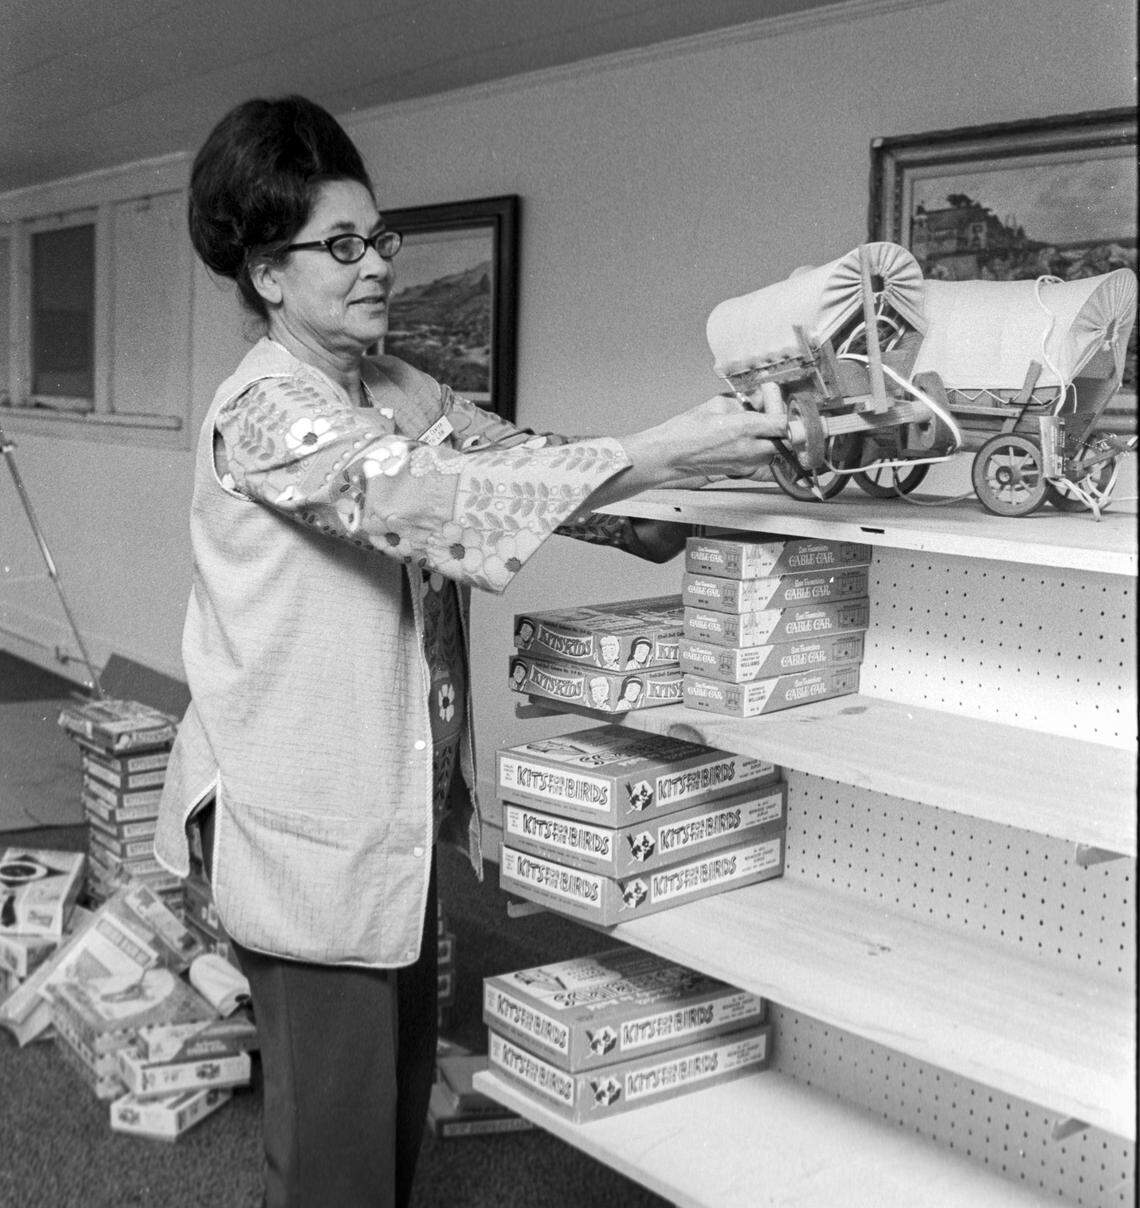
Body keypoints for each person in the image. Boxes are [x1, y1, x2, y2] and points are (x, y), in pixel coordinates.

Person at [153, 93, 781, 1208]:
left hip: (399, 817)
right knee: (334, 1161)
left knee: (391, 1127)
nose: (377, 264)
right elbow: (431, 499)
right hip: (311, 834)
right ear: (266, 275)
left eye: (379, 236)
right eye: (339, 246)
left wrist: (724, 469)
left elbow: (532, 469)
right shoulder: (261, 412)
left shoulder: (397, 386)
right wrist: (654, 449)